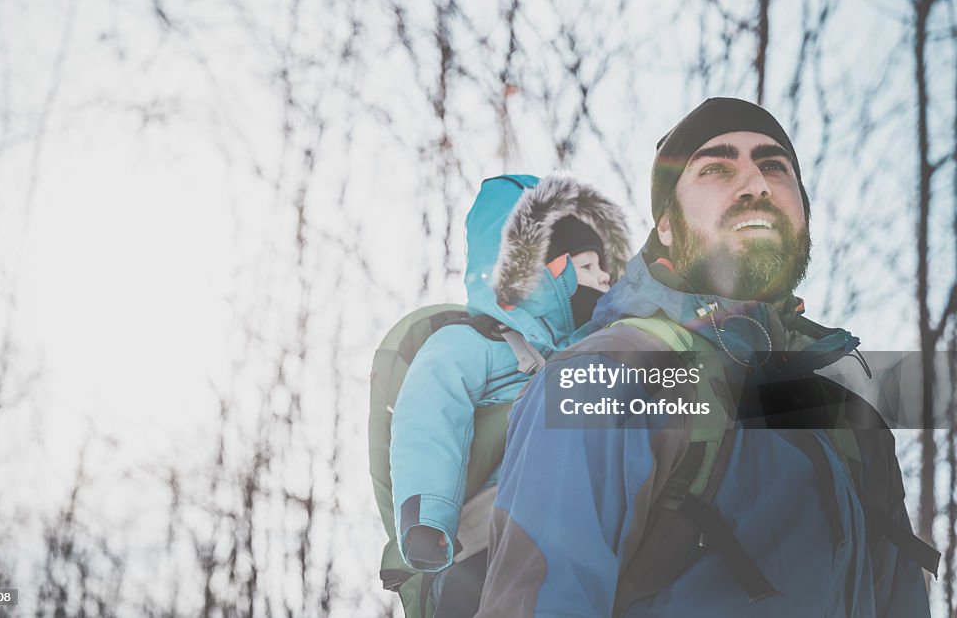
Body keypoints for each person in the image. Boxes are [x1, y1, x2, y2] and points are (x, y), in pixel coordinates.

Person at [476, 98, 934, 617]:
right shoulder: (606, 374)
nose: (755, 184)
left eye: (773, 166)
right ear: (666, 226)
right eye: (716, 167)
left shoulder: (852, 424)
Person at [390, 174, 630, 617]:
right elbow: (428, 418)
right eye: (592, 265)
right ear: (547, 265)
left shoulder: (592, 360)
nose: (606, 278)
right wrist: (428, 514)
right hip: (484, 543)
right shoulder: (471, 344)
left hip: (571, 545)